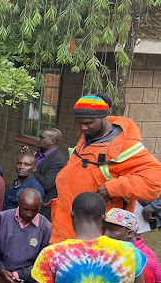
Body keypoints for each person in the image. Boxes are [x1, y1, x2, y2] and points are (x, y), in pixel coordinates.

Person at [51, 94, 161, 243]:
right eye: (79, 123)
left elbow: (154, 181)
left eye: (88, 123)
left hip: (97, 237)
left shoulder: (123, 145)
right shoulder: (89, 136)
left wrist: (112, 188)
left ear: (104, 118)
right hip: (66, 228)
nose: (83, 128)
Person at [21, 128, 66, 220]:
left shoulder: (57, 160)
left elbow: (46, 184)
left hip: (42, 208)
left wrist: (32, 167)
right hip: (29, 202)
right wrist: (29, 159)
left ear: (51, 141)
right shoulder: (38, 154)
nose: (37, 140)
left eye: (42, 138)